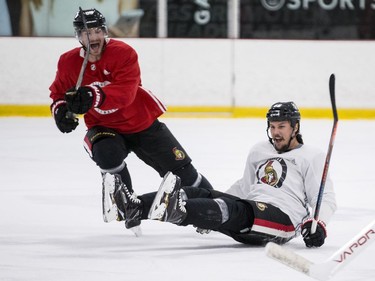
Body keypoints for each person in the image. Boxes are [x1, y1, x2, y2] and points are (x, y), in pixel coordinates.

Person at [49, 8, 213, 230]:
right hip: (104, 127)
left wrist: (92, 95)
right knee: (106, 154)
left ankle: (212, 209)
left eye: (98, 31)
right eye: (88, 33)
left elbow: (126, 93)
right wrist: (61, 112)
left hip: (142, 123)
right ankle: (129, 207)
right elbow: (58, 93)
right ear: (79, 36)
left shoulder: (123, 53)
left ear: (105, 32)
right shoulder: (68, 62)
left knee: (187, 176)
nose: (94, 37)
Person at [112, 102, 337, 247]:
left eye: (282, 127)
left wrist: (319, 225)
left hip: (283, 220)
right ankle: (135, 207)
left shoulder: (311, 156)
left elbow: (324, 197)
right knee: (197, 192)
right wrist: (210, 203)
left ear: (295, 128)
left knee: (234, 209)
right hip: (251, 209)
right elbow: (244, 186)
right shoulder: (260, 150)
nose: (275, 132)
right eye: (272, 126)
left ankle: (180, 212)